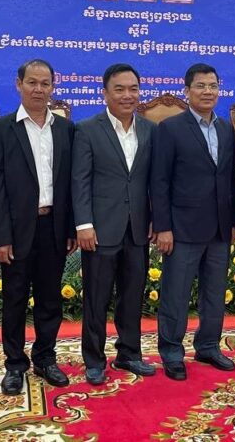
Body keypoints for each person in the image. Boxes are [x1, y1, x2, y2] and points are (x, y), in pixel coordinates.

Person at [0, 59, 76, 395]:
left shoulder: (66, 129)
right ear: (18, 84)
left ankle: (45, 358)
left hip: (54, 226)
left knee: (50, 298)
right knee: (15, 299)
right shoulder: (0, 129)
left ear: (53, 87)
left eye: (45, 83)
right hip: (16, 229)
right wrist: (0, 236)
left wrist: (71, 228)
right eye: (32, 82)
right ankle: (14, 364)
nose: (39, 89)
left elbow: (72, 183)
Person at [152, 63, 235, 381]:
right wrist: (163, 226)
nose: (208, 91)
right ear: (187, 90)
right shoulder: (171, 128)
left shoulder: (226, 128)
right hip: (182, 227)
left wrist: (234, 221)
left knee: (215, 292)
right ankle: (172, 352)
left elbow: (230, 178)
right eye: (201, 86)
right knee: (176, 293)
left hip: (219, 227)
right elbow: (159, 181)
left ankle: (208, 346)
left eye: (213, 85)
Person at [72, 63, 156, 385]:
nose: (127, 95)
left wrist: (155, 219)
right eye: (119, 89)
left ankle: (129, 353)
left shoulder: (149, 130)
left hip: (137, 228)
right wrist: (83, 224)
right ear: (105, 93)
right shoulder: (87, 129)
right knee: (97, 298)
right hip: (100, 229)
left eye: (133, 89)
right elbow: (80, 180)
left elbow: (154, 181)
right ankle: (94, 359)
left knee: (132, 295)